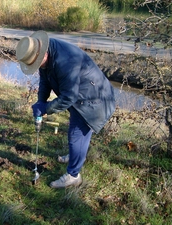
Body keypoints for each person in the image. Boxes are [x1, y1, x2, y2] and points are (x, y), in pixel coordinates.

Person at [16, 30, 116, 188]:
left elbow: (69, 97)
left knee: (76, 135)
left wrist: (46, 109)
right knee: (76, 135)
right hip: (80, 95)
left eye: (36, 64)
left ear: (42, 55)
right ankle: (75, 154)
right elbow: (45, 81)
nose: (37, 67)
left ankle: (73, 176)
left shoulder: (65, 61)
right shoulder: (45, 51)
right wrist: (41, 102)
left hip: (95, 99)